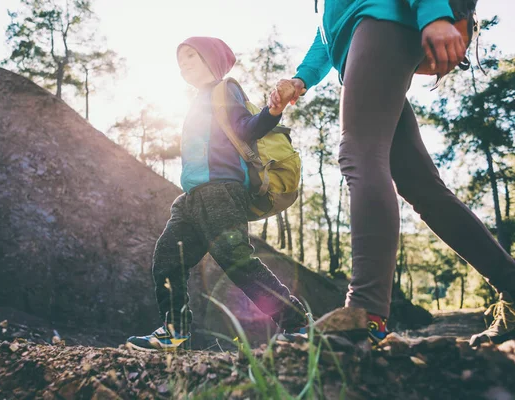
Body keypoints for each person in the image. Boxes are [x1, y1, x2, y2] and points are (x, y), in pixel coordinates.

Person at [270, 0, 515, 346]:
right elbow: (327, 34)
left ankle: (365, 314)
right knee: (424, 189)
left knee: (359, 153)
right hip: (371, 35)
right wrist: (301, 78)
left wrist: (434, 14)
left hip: (384, 20)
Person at [127, 36, 309, 351]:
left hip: (222, 191)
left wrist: (272, 112)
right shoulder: (195, 101)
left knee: (236, 260)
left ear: (212, 61)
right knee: (167, 258)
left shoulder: (225, 89)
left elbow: (247, 129)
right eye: (180, 58)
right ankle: (175, 331)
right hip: (191, 199)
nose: (183, 63)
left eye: (191, 56)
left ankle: (294, 323)